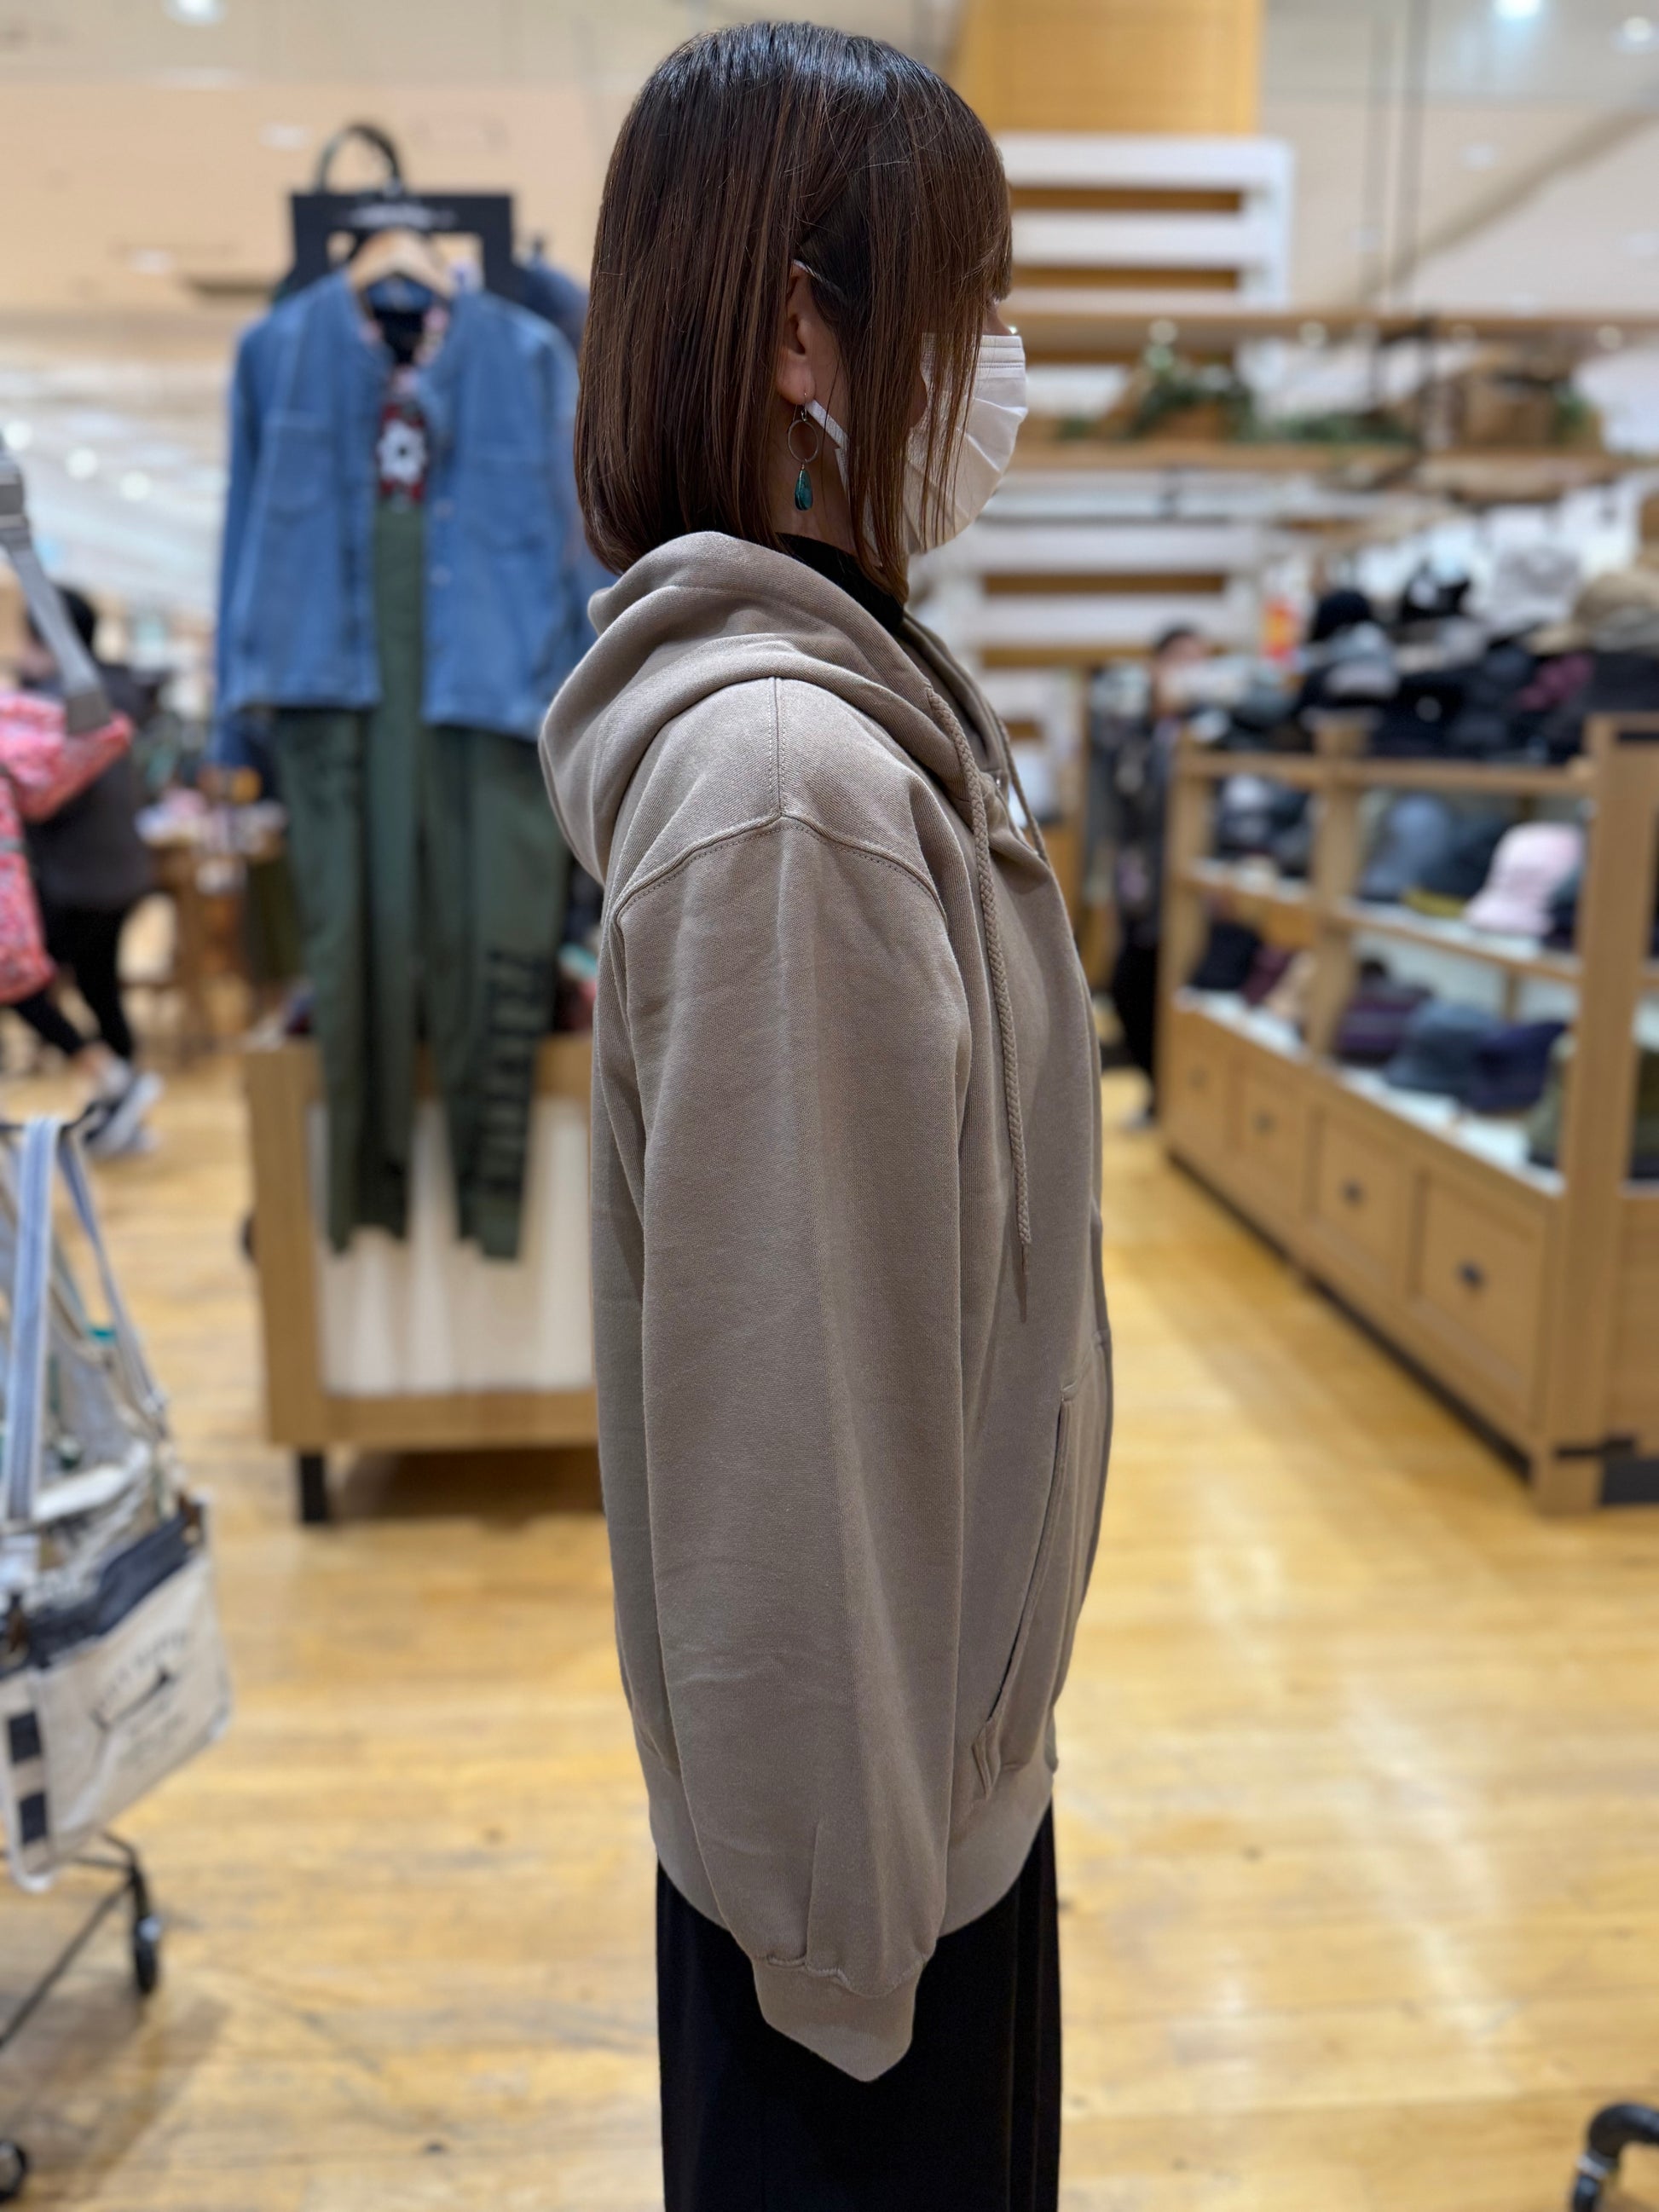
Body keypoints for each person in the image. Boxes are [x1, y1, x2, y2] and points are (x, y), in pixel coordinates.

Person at [542, 26, 1111, 2211]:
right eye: (971, 303)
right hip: (865, 1928)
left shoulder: (854, 737)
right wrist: (852, 1948)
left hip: (910, 1832)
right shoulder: (798, 789)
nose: (997, 363)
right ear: (807, 333)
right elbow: (795, 1447)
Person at [10, 587, 161, 1156]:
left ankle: (112, 1079)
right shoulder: (115, 693)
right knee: (100, 986)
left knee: (18, 982)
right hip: (121, 870)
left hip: (74, 876)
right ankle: (121, 1107)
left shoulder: (50, 709)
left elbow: (40, 798)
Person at [1095, 624, 1206, 1123]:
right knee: (1130, 989)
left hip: (1193, 892)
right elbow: (1119, 817)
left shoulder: (1212, 732)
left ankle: (1174, 1103)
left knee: (1171, 994)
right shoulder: (1135, 737)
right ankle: (1163, 1095)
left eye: (1200, 660)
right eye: (1180, 659)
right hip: (1143, 888)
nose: (1191, 671)